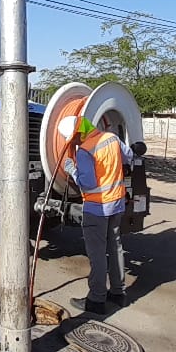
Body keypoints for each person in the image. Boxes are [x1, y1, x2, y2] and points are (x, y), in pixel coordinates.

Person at [57, 114, 134, 314]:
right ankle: (118, 293)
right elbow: (129, 156)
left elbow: (88, 183)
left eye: (73, 138)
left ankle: (96, 300)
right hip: (117, 204)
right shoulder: (112, 138)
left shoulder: (85, 151)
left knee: (97, 254)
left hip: (97, 208)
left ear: (79, 133)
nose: (72, 142)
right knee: (115, 247)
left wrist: (72, 170)